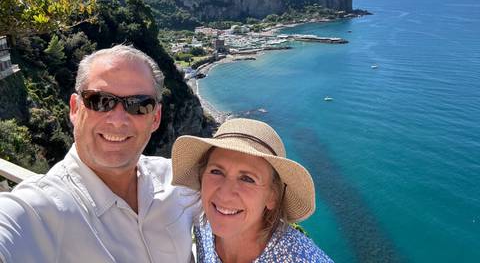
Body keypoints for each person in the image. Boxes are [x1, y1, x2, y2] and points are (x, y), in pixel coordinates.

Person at [0, 45, 197, 263]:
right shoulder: (43, 208)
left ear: (156, 117)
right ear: (75, 109)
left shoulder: (178, 180)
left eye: (139, 105)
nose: (118, 120)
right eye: (101, 101)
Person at [171, 118, 334, 262]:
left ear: (273, 197)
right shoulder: (203, 227)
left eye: (247, 179)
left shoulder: (301, 258)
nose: (225, 194)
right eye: (216, 171)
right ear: (202, 176)